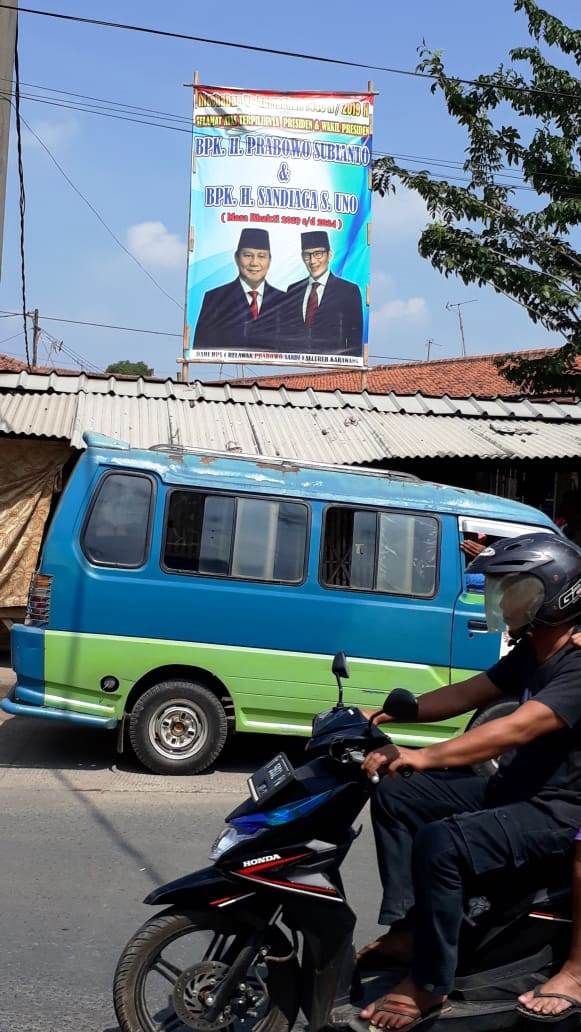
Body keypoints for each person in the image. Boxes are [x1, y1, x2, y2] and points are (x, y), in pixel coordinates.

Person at [356, 532, 581, 1031]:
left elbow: (515, 727)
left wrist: (425, 755)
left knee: (443, 843)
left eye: (511, 589)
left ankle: (429, 985)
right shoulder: (534, 652)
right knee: (397, 793)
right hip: (519, 790)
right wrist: (389, 714)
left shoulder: (578, 663)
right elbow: (468, 694)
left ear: (551, 593)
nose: (500, 600)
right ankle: (413, 926)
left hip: (561, 809)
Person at [193, 228, 285, 351]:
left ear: (270, 260)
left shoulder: (284, 301)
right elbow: (201, 346)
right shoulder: (215, 298)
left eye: (261, 256)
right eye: (248, 255)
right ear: (237, 258)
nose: (254, 263)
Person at [285, 230, 363, 356]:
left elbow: (355, 338)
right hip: (296, 367)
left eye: (318, 254)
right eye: (307, 255)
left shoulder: (348, 291)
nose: (312, 261)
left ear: (329, 255)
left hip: (334, 368)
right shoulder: (293, 290)